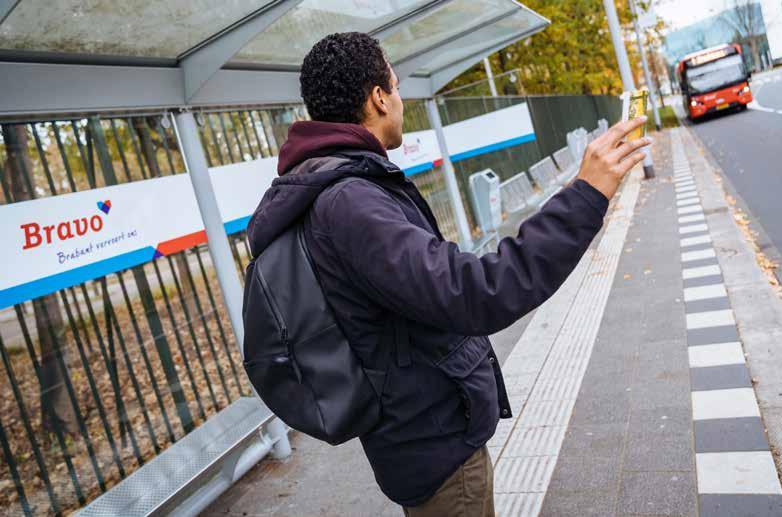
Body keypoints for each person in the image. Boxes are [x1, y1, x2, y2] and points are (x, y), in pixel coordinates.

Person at [247, 32, 650, 517]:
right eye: (394, 86)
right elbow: (475, 292)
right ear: (378, 97)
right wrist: (584, 196)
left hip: (419, 434)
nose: (399, 99)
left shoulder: (336, 184)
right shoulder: (350, 202)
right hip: (433, 445)